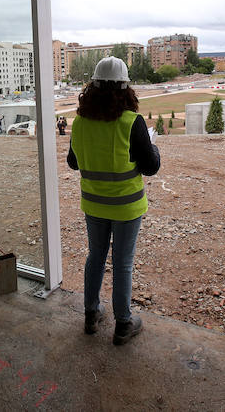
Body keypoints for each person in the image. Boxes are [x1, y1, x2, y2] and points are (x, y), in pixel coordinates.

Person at [67, 56, 160, 345]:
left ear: (91, 88)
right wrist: (153, 147)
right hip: (126, 206)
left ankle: (91, 314)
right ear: (125, 88)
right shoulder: (132, 122)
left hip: (94, 205)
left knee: (95, 257)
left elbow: (73, 162)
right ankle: (123, 323)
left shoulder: (80, 123)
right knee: (122, 263)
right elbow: (150, 166)